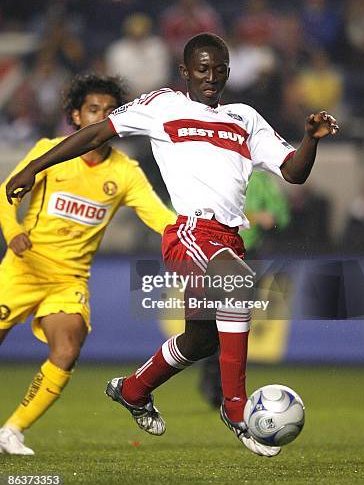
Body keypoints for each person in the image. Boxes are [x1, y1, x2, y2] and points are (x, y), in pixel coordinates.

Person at [5, 33, 339, 458]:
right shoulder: (162, 105)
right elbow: (94, 135)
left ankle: (132, 389)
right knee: (236, 285)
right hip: (190, 232)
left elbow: (293, 173)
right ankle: (236, 410)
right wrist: (35, 166)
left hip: (229, 240)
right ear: (185, 71)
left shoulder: (245, 118)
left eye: (219, 69)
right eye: (202, 69)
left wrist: (310, 139)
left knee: (202, 340)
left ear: (229, 72)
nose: (211, 77)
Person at [0, 74, 175, 455]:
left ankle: (12, 430)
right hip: (23, 268)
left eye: (110, 111)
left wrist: (191, 232)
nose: (101, 116)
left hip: (68, 279)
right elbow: (7, 191)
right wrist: (13, 231)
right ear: (76, 116)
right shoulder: (50, 151)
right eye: (93, 109)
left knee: (67, 348)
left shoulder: (125, 172)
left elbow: (158, 217)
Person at [200, 170, 290, 408]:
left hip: (249, 257)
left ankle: (223, 387)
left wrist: (269, 217)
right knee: (218, 321)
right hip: (215, 254)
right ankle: (215, 385)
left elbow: (281, 215)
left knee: (236, 321)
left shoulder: (259, 178)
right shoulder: (209, 169)